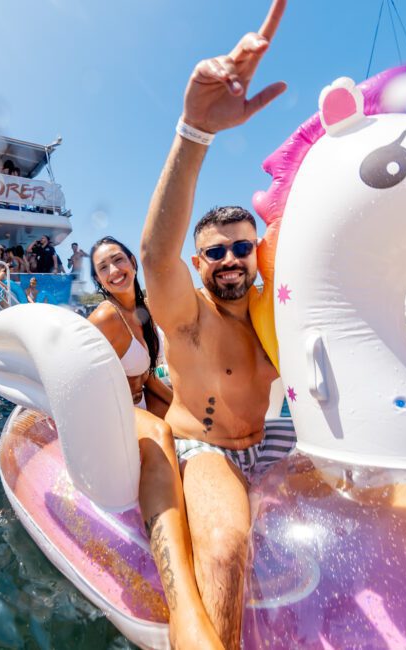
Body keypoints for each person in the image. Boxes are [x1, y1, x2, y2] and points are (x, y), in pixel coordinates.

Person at [138, 2, 290, 648]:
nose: (231, 258)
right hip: (208, 449)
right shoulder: (189, 315)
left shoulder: (269, 309)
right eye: (216, 251)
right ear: (199, 263)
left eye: (241, 247)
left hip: (271, 440)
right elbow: (153, 254)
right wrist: (194, 130)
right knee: (225, 548)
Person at [89, 237, 173, 417]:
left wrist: (182, 408)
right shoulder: (106, 317)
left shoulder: (145, 311)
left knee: (196, 421)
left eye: (118, 259)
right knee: (163, 433)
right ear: (98, 279)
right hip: (112, 414)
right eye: (103, 267)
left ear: (132, 262)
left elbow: (147, 378)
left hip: (141, 404)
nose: (113, 270)